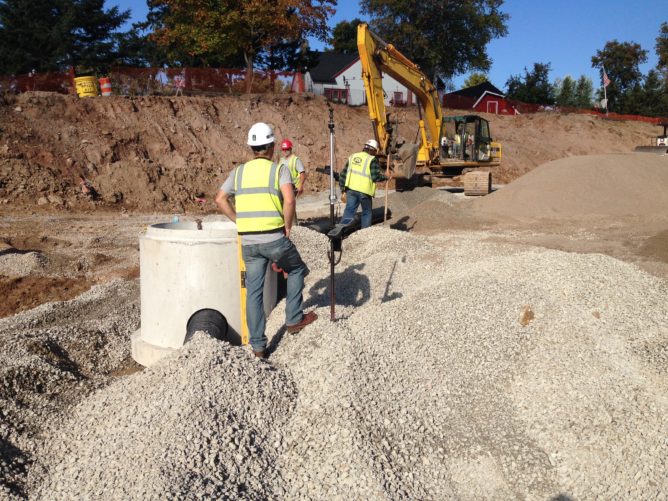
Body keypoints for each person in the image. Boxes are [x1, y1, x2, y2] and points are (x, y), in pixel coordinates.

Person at [215, 122, 317, 359]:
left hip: (249, 242)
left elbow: (220, 199)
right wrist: (288, 226)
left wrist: (239, 220)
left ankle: (259, 346)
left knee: (254, 291)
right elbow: (290, 200)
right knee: (297, 269)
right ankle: (293, 319)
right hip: (273, 237)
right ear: (271, 147)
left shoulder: (238, 172)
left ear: (252, 148)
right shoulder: (277, 169)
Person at [338, 139, 390, 229]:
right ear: (374, 150)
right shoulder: (372, 159)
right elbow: (375, 177)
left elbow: (343, 175)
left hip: (351, 190)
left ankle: (342, 232)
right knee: (366, 213)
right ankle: (365, 235)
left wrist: (343, 189)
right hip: (364, 192)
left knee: (349, 212)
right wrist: (386, 177)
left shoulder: (353, 156)